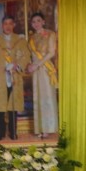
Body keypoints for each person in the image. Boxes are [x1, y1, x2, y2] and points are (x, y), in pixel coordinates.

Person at [0, 15, 30, 141]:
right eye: (5, 23)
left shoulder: (20, 40)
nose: (8, 26)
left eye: (10, 23)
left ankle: (13, 132)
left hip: (15, 77)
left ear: (14, 25)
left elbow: (26, 56)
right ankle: (1, 133)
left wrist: (17, 65)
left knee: (13, 106)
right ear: (2, 25)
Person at [26, 11, 59, 139]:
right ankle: (39, 127)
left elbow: (51, 53)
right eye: (34, 22)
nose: (36, 23)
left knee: (46, 97)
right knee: (37, 97)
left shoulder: (50, 34)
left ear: (43, 22)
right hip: (36, 70)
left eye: (38, 21)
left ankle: (48, 128)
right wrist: (30, 65)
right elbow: (31, 55)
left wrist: (37, 65)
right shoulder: (32, 38)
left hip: (45, 69)